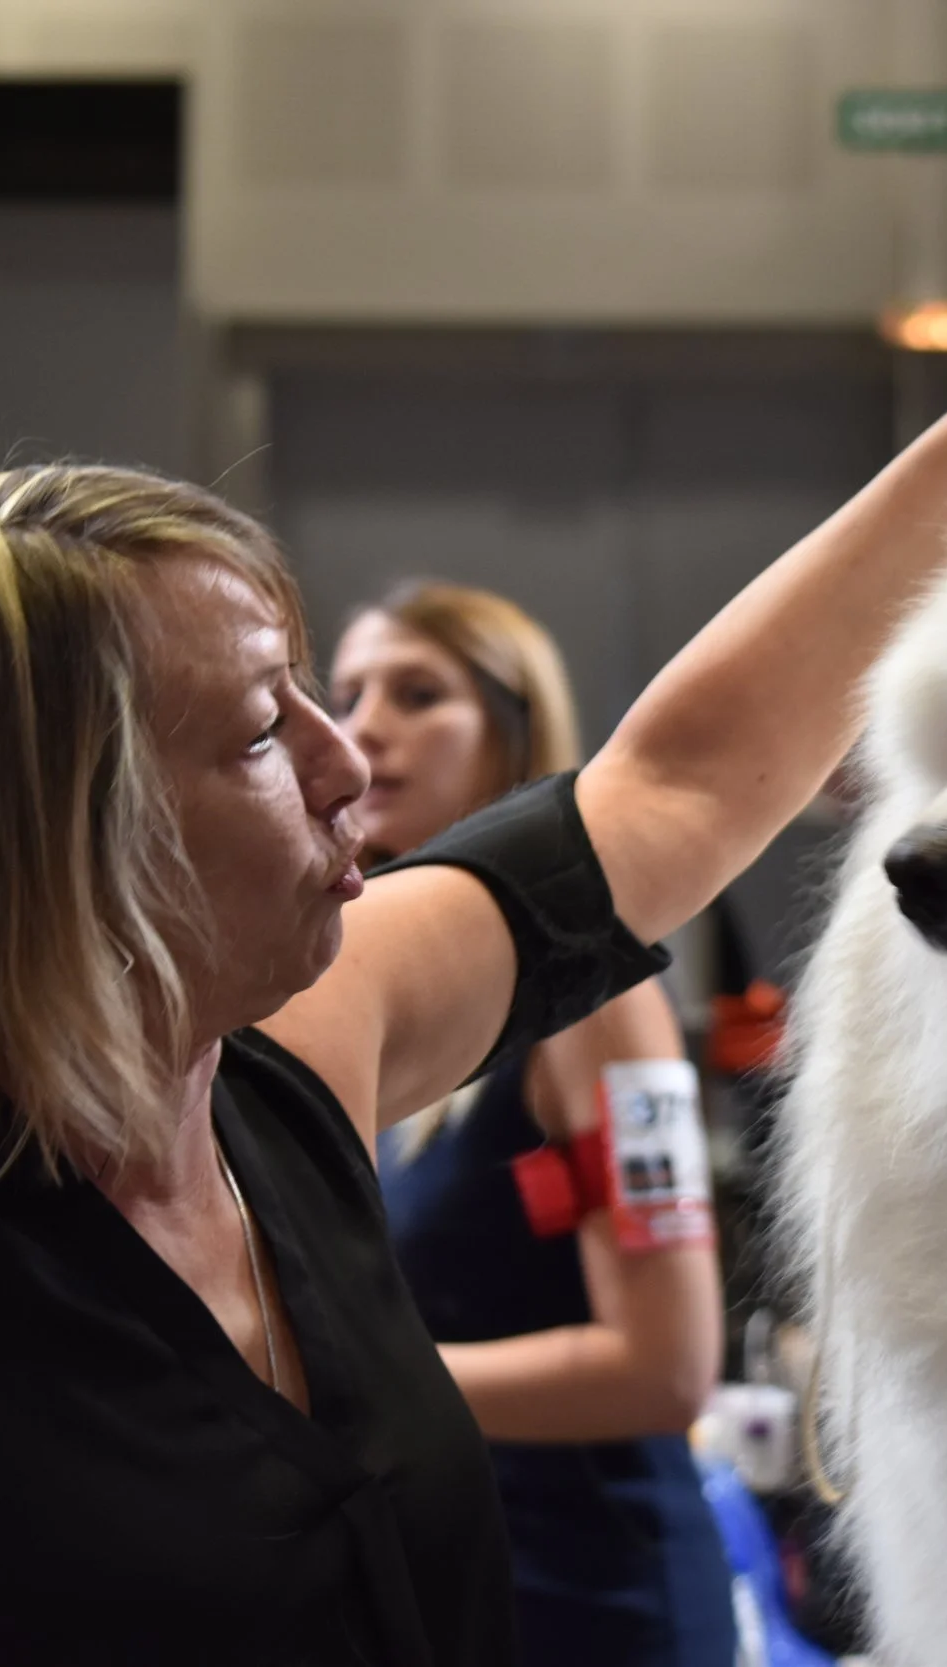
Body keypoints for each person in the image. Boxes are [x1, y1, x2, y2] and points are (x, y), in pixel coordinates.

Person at [0, 154, 947, 1665]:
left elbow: (674, 787)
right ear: (44, 835)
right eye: (259, 730)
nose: (347, 759)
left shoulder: (290, 1061)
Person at [330, 583, 732, 1666]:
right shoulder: (376, 1018)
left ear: (515, 735)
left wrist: (344, 1385)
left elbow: (667, 1363)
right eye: (347, 692)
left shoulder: (597, 1012)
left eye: (418, 693)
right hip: (451, 1593)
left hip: (598, 1601)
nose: (363, 725)